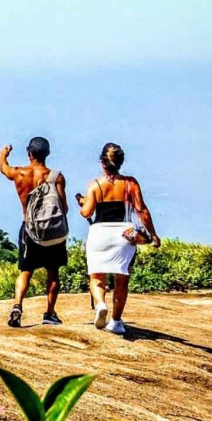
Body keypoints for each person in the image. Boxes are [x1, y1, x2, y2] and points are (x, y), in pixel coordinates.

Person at [76, 143, 160, 335]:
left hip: (99, 233)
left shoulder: (95, 185)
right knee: (122, 280)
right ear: (120, 162)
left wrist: (83, 203)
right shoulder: (130, 183)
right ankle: (116, 321)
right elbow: (142, 210)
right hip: (123, 233)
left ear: (101, 163)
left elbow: (86, 212)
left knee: (97, 277)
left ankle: (100, 305)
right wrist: (153, 234)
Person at [0, 137, 67, 328]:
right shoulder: (56, 177)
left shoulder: (19, 174)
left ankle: (17, 306)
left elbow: (4, 168)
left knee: (25, 271)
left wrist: (3, 153)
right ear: (48, 153)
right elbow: (64, 207)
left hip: (29, 229)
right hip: (53, 233)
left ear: (29, 153)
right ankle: (50, 313)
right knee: (53, 273)